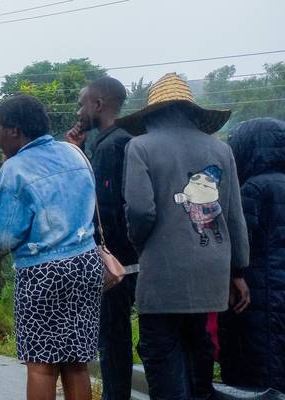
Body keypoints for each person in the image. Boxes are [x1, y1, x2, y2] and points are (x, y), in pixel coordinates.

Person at [118, 73, 249, 400]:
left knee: (162, 354)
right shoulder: (220, 149)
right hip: (212, 272)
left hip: (163, 273)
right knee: (198, 350)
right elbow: (233, 215)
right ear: (192, 112)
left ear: (152, 115)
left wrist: (142, 244)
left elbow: (139, 212)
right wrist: (238, 272)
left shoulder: (140, 147)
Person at [0, 95, 102, 400]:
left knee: (41, 365)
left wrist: (7, 167)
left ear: (14, 130)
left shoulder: (15, 170)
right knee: (76, 363)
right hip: (87, 263)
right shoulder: (75, 154)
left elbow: (1, 237)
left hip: (43, 271)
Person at [66, 77, 141, 400]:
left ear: (98, 104)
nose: (79, 110)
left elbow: (105, 208)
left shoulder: (113, 146)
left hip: (116, 260)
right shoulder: (115, 141)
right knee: (116, 337)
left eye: (83, 103)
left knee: (113, 338)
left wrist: (99, 251)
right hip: (129, 257)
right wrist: (77, 153)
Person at [220, 117, 285, 392]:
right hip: (279, 287)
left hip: (257, 292)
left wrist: (234, 275)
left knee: (258, 361)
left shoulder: (253, 189)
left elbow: (239, 240)